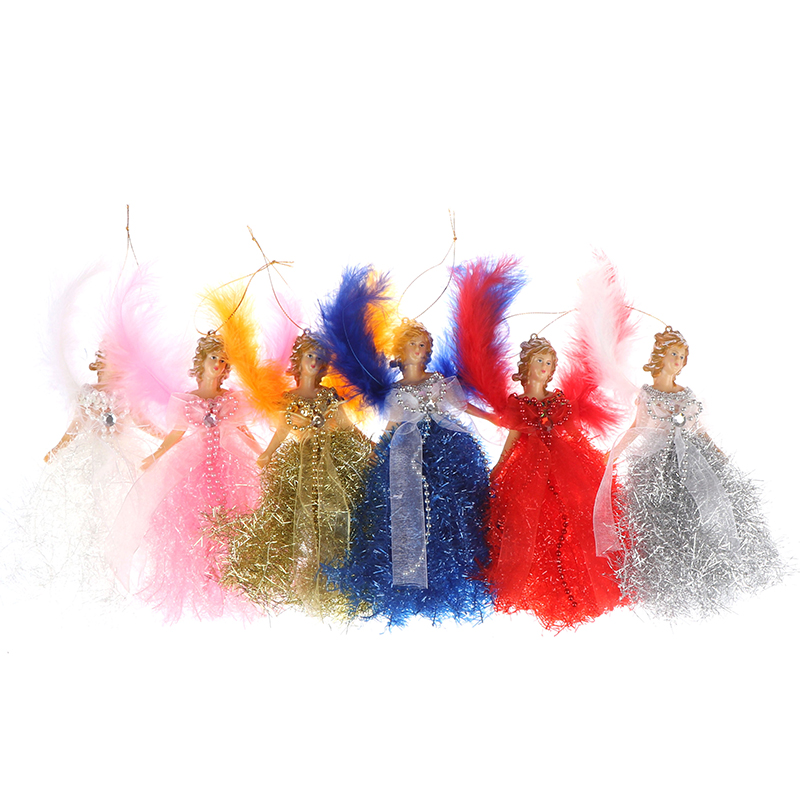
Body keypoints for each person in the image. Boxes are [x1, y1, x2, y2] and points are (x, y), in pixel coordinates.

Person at [594, 327, 784, 619]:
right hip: (657, 467)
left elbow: (699, 430)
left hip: (695, 461)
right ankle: (669, 582)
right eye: (674, 354)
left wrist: (716, 452)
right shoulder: (647, 396)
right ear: (660, 356)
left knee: (706, 510)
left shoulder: (688, 395)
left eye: (682, 356)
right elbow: (636, 428)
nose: (679, 361)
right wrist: (613, 453)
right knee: (660, 524)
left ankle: (712, 572)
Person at [327, 319, 492, 626]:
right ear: (401, 351)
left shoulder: (439, 382)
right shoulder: (395, 391)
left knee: (448, 511)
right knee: (404, 512)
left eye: (423, 345)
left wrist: (494, 417)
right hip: (404, 453)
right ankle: (408, 583)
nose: (418, 349)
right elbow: (391, 426)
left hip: (445, 451)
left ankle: (448, 576)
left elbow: (463, 406)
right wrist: (376, 451)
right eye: (413, 344)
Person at [106, 332, 262, 621]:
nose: (218, 364)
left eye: (223, 360)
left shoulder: (231, 399)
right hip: (194, 466)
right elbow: (176, 434)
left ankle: (229, 570)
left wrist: (262, 452)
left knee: (234, 513)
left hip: (230, 464)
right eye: (213, 358)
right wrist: (156, 455)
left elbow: (244, 430)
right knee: (193, 519)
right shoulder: (187, 401)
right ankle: (201, 572)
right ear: (201, 361)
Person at [215, 331, 372, 615]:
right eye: (309, 355)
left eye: (319, 358)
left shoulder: (329, 396)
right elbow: (282, 430)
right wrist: (268, 452)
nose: (314, 361)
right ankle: (302, 578)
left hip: (334, 461)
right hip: (299, 465)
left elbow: (347, 426)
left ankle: (334, 578)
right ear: (298, 361)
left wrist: (368, 445)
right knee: (298, 519)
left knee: (334, 517)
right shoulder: (290, 399)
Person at [487, 336, 624, 629]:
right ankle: (542, 589)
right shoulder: (518, 405)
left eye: (549, 363)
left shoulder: (559, 402)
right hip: (528, 473)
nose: (545, 367)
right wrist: (497, 469)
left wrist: (594, 459)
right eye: (540, 361)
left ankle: (577, 587)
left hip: (567, 467)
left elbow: (574, 434)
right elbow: (511, 441)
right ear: (526, 365)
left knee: (574, 522)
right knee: (530, 527)